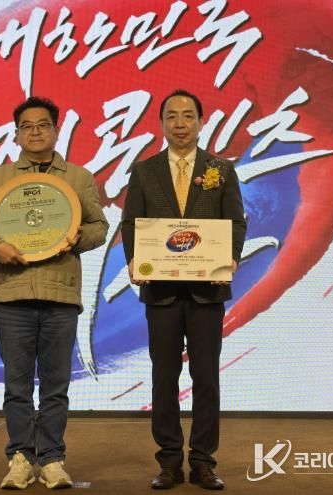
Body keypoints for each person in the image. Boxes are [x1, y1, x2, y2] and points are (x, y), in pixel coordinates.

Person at [0, 96, 108, 490]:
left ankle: (54, 459)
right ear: (17, 134)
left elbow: (99, 227)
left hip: (61, 297)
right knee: (17, 386)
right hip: (13, 295)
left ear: (56, 131)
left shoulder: (78, 178)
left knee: (57, 387)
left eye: (43, 125)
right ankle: (21, 459)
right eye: (27, 126)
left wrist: (78, 237)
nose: (36, 132)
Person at [122, 90, 246, 490]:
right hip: (161, 293)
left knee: (206, 378)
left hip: (207, 292)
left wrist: (229, 259)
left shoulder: (220, 170)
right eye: (172, 116)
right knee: (164, 379)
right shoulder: (144, 171)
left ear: (200, 122)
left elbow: (235, 222)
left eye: (188, 116)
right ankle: (170, 462)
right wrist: (136, 261)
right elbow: (132, 223)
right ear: (161, 123)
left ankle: (204, 461)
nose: (180, 123)